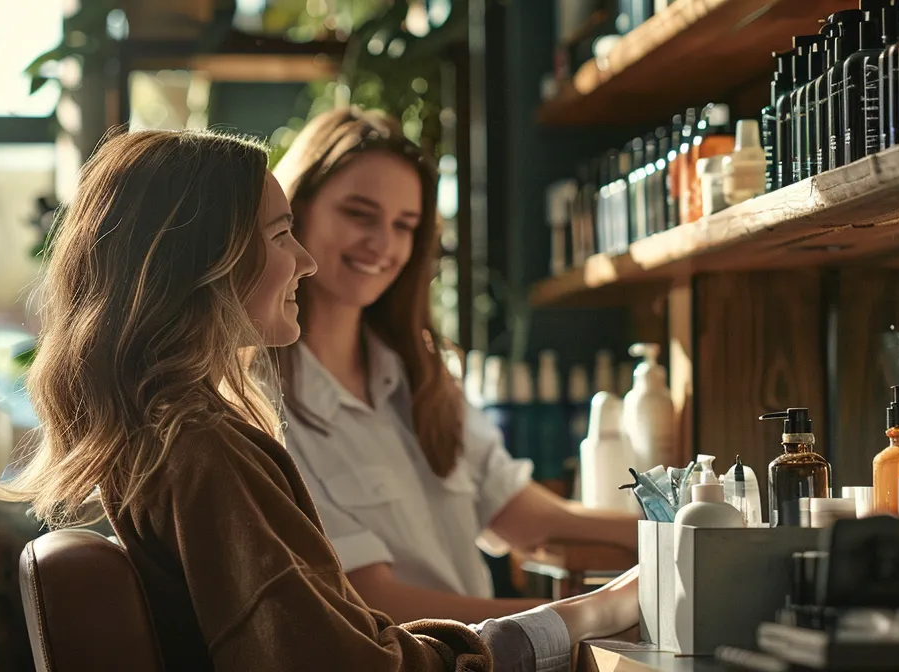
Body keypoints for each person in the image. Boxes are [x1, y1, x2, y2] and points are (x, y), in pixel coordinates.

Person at [0, 129, 638, 671]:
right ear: (203, 261)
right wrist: (584, 617)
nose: (304, 261)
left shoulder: (182, 437)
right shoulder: (205, 448)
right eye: (280, 236)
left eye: (406, 225)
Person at [272, 108, 641, 624]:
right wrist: (596, 612)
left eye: (405, 225)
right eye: (359, 214)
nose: (382, 244)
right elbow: (372, 605)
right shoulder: (264, 404)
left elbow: (530, 519)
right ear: (295, 212)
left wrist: (683, 531)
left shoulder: (420, 377)